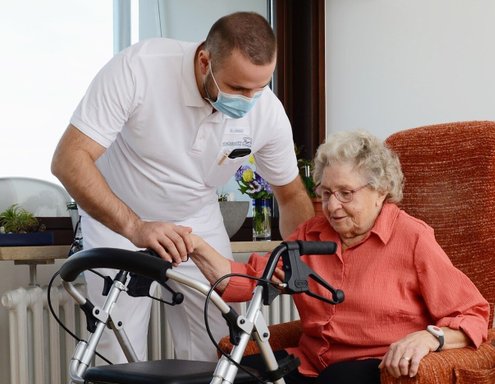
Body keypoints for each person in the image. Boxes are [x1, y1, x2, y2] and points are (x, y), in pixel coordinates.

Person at [50, 12, 314, 363]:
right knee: (116, 347)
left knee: (227, 343)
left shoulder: (266, 112)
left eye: (260, 87)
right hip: (119, 220)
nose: (249, 100)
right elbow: (69, 159)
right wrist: (135, 227)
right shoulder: (140, 69)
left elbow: (292, 194)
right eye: (237, 88)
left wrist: (298, 261)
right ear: (205, 60)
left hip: (197, 222)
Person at [188, 130, 490, 383]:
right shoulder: (311, 234)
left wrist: (428, 338)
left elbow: (474, 314)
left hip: (376, 365)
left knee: (338, 378)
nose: (332, 207)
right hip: (310, 363)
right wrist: (194, 246)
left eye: (346, 193)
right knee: (235, 375)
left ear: (380, 191)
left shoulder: (412, 238)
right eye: (327, 193)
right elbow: (241, 281)